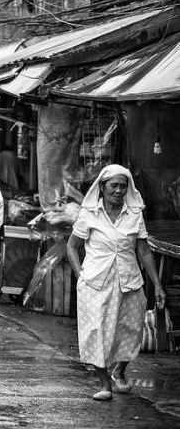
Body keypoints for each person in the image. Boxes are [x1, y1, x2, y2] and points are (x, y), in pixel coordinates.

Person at [66, 164, 166, 401]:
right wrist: (80, 273)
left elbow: (143, 251)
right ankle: (104, 384)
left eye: (123, 186)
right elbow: (71, 246)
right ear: (102, 187)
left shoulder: (134, 214)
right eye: (114, 185)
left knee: (130, 331)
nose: (119, 190)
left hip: (129, 281)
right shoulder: (89, 213)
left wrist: (158, 285)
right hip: (95, 282)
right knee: (96, 331)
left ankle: (118, 371)